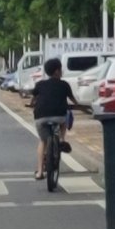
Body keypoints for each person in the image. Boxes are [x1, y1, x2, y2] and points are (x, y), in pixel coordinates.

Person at [28, 58, 75, 192]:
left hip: (41, 117)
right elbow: (73, 99)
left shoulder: (40, 84)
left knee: (43, 141)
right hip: (59, 117)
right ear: (57, 71)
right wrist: (78, 105)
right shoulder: (64, 85)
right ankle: (62, 139)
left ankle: (39, 172)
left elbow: (33, 100)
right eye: (61, 69)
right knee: (65, 119)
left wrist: (31, 105)